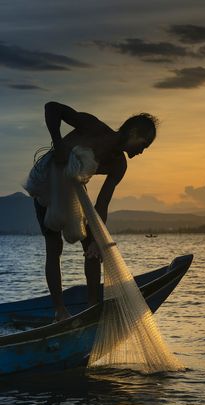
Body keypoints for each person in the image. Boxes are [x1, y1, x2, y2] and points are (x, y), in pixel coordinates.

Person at [34, 101, 158, 321]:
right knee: (54, 246)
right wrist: (58, 143)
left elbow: (102, 204)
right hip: (47, 184)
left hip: (73, 192)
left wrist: (97, 241)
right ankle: (60, 311)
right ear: (135, 132)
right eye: (144, 144)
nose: (142, 151)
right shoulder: (93, 128)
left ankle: (92, 305)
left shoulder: (118, 165)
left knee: (93, 244)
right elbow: (52, 107)